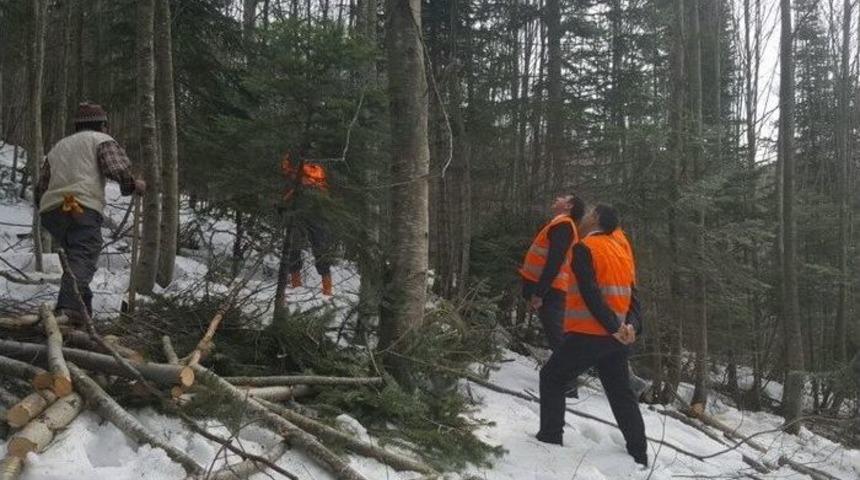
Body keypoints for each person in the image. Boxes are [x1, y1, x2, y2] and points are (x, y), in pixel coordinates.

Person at [537, 204, 648, 467]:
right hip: (618, 338)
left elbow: (590, 294)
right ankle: (639, 453)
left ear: (596, 218)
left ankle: (550, 438)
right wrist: (631, 327)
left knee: (551, 376)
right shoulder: (621, 252)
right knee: (621, 394)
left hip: (591, 333)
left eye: (587, 215)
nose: (583, 219)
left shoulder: (585, 248)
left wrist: (612, 326)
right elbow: (633, 297)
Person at [36, 102, 146, 320]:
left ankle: (82, 315)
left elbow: (41, 187)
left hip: (52, 210)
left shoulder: (58, 147)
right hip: (79, 204)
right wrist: (132, 185)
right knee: (84, 254)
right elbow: (116, 168)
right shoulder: (101, 140)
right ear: (103, 125)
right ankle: (69, 309)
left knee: (77, 257)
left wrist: (47, 205)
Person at [519, 194, 584, 397]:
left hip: (552, 290)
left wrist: (540, 292)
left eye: (563, 197)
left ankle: (569, 385)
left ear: (569, 206)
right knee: (557, 335)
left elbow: (554, 261)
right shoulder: (560, 224)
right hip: (551, 289)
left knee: (558, 337)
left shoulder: (564, 225)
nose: (557, 198)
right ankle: (567, 382)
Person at [281, 152, 334, 296]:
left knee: (320, 246)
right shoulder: (292, 158)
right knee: (294, 244)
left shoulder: (315, 166)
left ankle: (327, 289)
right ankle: (296, 284)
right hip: (298, 207)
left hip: (316, 209)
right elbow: (286, 175)